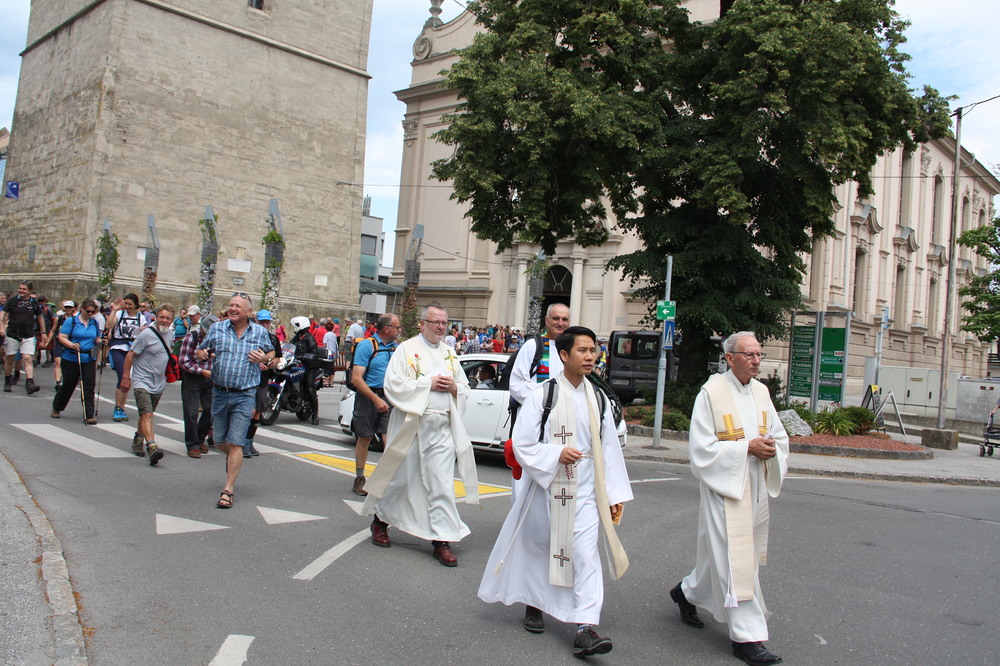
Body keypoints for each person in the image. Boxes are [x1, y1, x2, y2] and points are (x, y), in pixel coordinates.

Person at [478, 326, 632, 657]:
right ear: (564, 355)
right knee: (543, 548)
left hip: (587, 489)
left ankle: (586, 627)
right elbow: (523, 444)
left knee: (585, 554)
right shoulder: (543, 396)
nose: (590, 356)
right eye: (582, 350)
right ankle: (535, 603)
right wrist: (555, 454)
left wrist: (613, 494)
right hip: (547, 488)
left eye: (593, 350)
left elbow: (609, 449)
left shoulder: (599, 399)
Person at [669, 331, 789, 666]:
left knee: (722, 554)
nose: (756, 361)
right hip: (724, 486)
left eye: (759, 355)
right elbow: (701, 449)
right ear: (729, 357)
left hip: (754, 483)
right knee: (737, 557)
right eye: (749, 355)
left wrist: (772, 449)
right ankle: (747, 638)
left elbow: (779, 436)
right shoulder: (711, 393)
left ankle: (687, 592)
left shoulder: (762, 392)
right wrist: (745, 448)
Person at [362, 303, 478, 567]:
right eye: (436, 322)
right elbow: (393, 385)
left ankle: (442, 540)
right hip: (412, 426)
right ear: (422, 323)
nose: (441, 327)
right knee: (401, 479)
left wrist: (454, 388)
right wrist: (428, 383)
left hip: (441, 428)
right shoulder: (406, 349)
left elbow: (465, 386)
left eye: (444, 323)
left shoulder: (450, 352)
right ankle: (380, 521)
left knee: (441, 484)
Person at [196, 293, 274, 508]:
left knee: (237, 442)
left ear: (248, 312)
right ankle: (232, 459)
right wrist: (202, 354)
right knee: (220, 441)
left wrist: (265, 358)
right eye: (231, 305)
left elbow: (271, 353)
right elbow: (201, 349)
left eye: (238, 306)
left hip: (245, 394)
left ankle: (228, 490)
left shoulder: (259, 332)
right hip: (220, 392)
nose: (233, 308)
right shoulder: (217, 328)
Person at [349, 313, 400, 496]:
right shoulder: (367, 345)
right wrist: (375, 399)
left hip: (389, 396)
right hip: (368, 397)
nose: (399, 330)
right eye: (397, 327)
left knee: (390, 438)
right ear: (386, 329)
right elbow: (356, 378)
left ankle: (387, 481)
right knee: (365, 437)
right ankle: (360, 478)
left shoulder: (396, 348)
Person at [120, 305, 176, 466]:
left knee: (146, 414)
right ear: (156, 318)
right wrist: (126, 377)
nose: (164, 320)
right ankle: (152, 446)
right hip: (142, 380)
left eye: (168, 318)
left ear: (172, 320)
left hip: (158, 382)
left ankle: (138, 439)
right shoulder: (146, 334)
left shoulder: (170, 334)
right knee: (147, 414)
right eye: (162, 317)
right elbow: (130, 355)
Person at [51, 299, 102, 423]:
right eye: (88, 311)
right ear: (82, 309)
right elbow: (62, 337)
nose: (90, 314)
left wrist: (102, 342)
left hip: (89, 358)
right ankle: (57, 407)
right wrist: (71, 345)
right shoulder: (72, 321)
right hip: (72, 357)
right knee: (69, 385)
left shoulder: (94, 323)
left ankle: (89, 415)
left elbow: (96, 338)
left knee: (88, 386)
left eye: (92, 312)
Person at [241, 309, 282, 458]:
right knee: (249, 411)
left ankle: (249, 440)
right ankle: (240, 441)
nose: (265, 325)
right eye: (262, 322)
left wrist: (272, 362)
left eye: (267, 322)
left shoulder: (273, 339)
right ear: (256, 321)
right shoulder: (249, 336)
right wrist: (257, 363)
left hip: (263, 380)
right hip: (247, 379)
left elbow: (277, 357)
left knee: (258, 412)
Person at [1, 280, 47, 394]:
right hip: (13, 333)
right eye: (20, 288)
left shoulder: (34, 303)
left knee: (27, 358)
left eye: (24, 289)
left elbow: (40, 317)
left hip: (28, 334)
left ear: (29, 291)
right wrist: (1, 327)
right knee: (10, 358)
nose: (21, 291)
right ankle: (8, 380)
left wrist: (43, 332)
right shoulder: (13, 300)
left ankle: (30, 382)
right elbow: (3, 313)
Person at [179, 305, 213, 458]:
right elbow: (183, 362)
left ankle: (200, 438)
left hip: (210, 378)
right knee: (191, 411)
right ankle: (192, 444)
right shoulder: (191, 337)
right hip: (193, 377)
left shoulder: (217, 340)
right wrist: (201, 371)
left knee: (211, 410)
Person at [105, 294, 144, 422]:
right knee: (123, 376)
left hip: (132, 350)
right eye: (125, 303)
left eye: (130, 304)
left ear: (135, 305)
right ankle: (117, 407)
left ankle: (121, 407)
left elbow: (142, 333)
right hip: (118, 347)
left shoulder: (141, 317)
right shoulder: (120, 314)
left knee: (128, 380)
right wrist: (114, 310)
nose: (127, 306)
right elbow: (108, 326)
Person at [290, 316, 321, 425]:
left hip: (309, 366)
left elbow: (315, 353)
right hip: (297, 364)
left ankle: (315, 415)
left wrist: (304, 356)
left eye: (296, 326)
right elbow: (290, 345)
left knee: (309, 387)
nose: (294, 328)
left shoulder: (309, 338)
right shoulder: (298, 337)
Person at [52, 300, 77, 391]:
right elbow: (53, 330)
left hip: (71, 343)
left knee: (69, 364)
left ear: (73, 308)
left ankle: (68, 380)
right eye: (66, 307)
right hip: (59, 342)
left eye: (70, 307)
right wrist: (47, 341)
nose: (68, 309)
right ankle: (58, 382)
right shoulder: (59, 319)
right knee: (58, 362)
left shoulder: (76, 320)